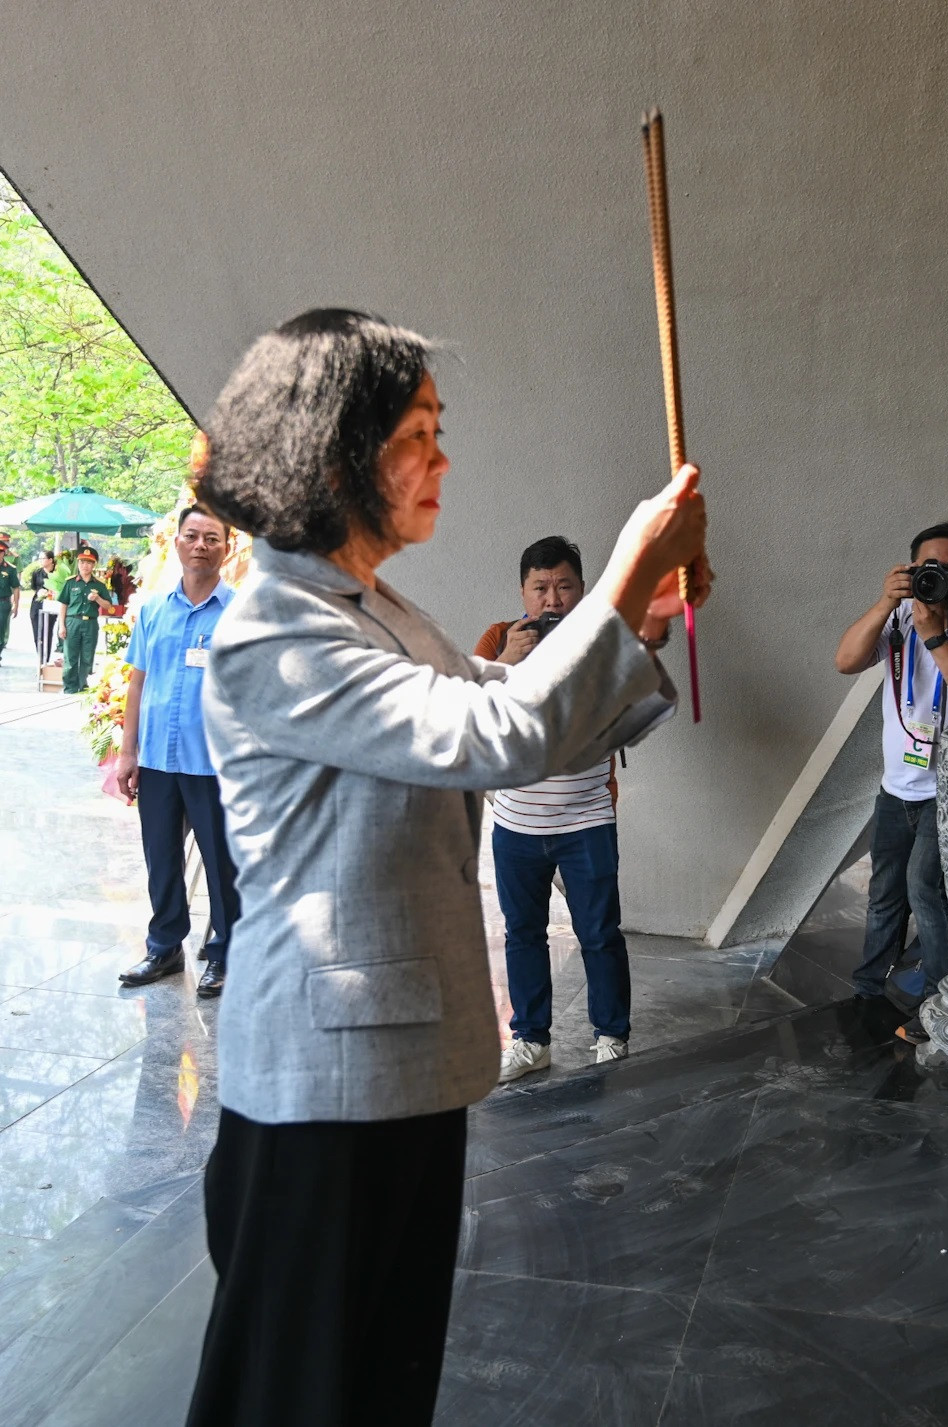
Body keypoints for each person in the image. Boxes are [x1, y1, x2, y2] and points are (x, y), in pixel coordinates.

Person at [184, 308, 711, 1427]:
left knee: (379, 1383)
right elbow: (500, 735)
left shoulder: (378, 609)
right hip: (321, 1083)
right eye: (418, 432)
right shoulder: (275, 628)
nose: (443, 458)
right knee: (297, 1394)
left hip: (396, 1061)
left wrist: (642, 624)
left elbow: (516, 709)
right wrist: (622, 574)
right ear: (333, 456)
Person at [475, 534, 681, 1081]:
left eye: (563, 586)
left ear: (581, 589)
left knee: (600, 933)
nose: (552, 599)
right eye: (540, 587)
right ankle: (530, 1039)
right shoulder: (501, 638)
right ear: (523, 591)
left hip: (586, 819)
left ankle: (611, 1036)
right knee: (523, 933)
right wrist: (505, 663)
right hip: (516, 823)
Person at [832, 522, 948, 1044]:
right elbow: (846, 660)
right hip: (897, 788)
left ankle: (940, 1004)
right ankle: (870, 989)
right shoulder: (895, 618)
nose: (936, 577)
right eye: (925, 569)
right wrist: (882, 605)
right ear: (910, 572)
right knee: (885, 893)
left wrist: (935, 637)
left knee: (926, 889)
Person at [114, 507, 243, 998]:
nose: (201, 545)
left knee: (221, 861)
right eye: (192, 535)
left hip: (214, 762)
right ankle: (165, 946)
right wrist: (128, 751)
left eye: (212, 537)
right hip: (158, 762)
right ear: (178, 543)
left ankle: (226, 953)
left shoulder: (240, 614)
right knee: (161, 858)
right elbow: (138, 681)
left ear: (226, 548)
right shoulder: (153, 610)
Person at [56, 546, 116, 693]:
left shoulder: (99, 585)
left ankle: (84, 687)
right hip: (72, 622)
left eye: (89, 563)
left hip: (90, 623)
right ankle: (70, 688)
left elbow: (108, 606)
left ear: (94, 565)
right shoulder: (70, 583)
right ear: (78, 563)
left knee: (87, 657)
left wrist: (98, 598)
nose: (85, 565)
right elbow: (63, 605)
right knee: (70, 657)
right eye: (82, 562)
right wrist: (61, 626)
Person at [29, 549, 59, 665]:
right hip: (37, 604)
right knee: (37, 632)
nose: (41, 561)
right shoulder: (37, 572)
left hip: (51, 604)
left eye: (43, 558)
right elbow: (33, 587)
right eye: (40, 559)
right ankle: (40, 658)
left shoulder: (57, 572)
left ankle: (45, 660)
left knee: (47, 632)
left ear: (51, 560)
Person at [0, 535, 19, 663]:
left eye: (0, 552)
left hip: (3, 603)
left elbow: (16, 588)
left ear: (4, 553)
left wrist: (16, 604)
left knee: (1, 633)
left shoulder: (10, 569)